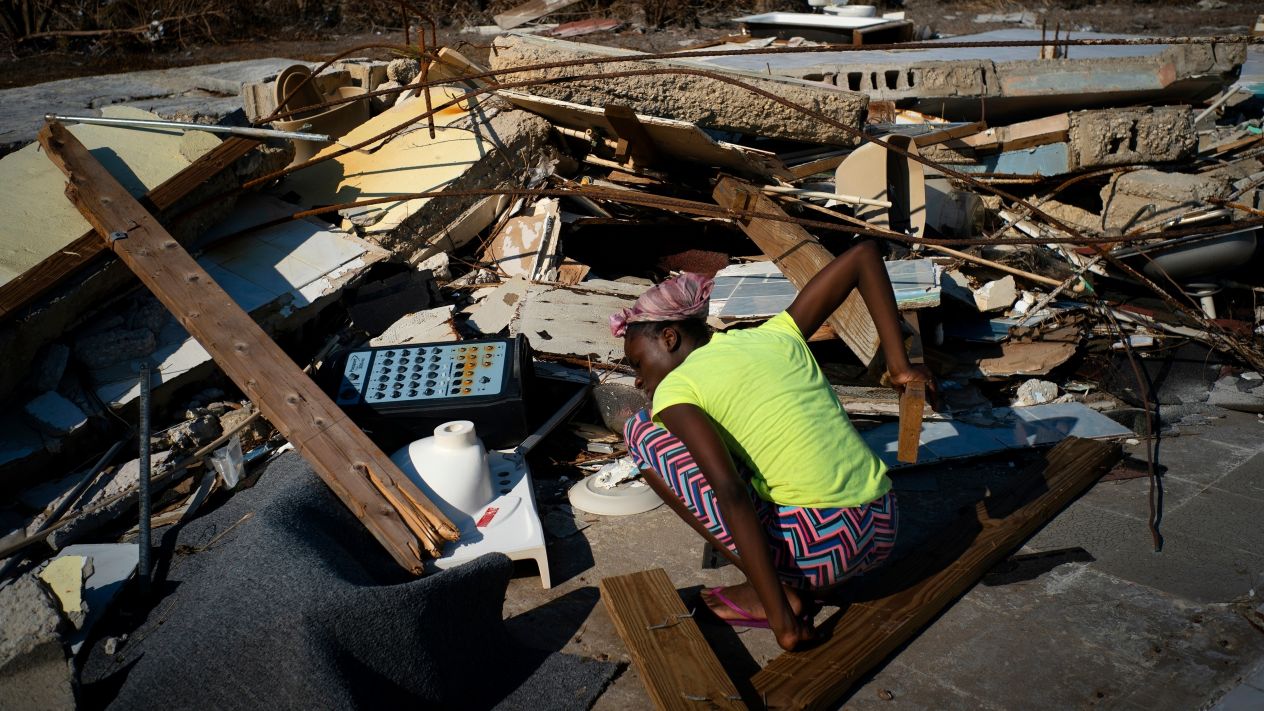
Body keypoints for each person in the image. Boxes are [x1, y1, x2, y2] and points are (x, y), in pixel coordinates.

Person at [610, 241, 935, 652]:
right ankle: (791, 582)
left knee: (642, 431)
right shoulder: (775, 334)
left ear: (669, 337)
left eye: (638, 363)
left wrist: (783, 617)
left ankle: (774, 595)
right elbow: (864, 256)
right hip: (884, 524)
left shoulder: (677, 387)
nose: (639, 380)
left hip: (825, 551)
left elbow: (729, 494)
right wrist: (899, 365)